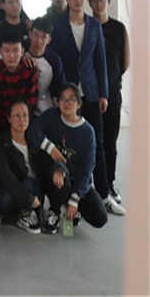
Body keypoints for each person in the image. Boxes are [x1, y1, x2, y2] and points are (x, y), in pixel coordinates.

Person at [48, 0, 124, 215]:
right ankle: (70, 196)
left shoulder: (94, 25)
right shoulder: (58, 25)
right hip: (67, 95)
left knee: (97, 143)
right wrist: (56, 93)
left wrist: (103, 94)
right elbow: (55, 61)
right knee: (67, 145)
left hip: (90, 94)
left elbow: (100, 62)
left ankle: (104, 193)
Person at [27, 84, 108, 232]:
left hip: (77, 180)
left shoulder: (88, 132)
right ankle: (55, 211)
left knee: (100, 217)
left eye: (71, 99)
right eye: (63, 99)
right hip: (56, 178)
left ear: (79, 103)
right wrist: (51, 149)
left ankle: (69, 206)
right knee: (52, 171)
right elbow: (32, 129)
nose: (66, 103)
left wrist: (75, 199)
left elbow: (87, 169)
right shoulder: (53, 116)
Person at [88, 0, 130, 204]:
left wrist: (110, 80)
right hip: (91, 94)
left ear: (109, 2)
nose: (98, 5)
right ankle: (92, 185)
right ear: (89, 2)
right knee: (92, 140)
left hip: (112, 92)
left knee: (110, 140)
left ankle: (109, 184)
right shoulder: (87, 26)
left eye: (102, 1)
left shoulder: (118, 28)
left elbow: (125, 61)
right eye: (94, 0)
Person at [0, 100, 45, 234]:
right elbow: (5, 175)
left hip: (31, 186)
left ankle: (25, 215)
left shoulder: (35, 139)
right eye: (16, 115)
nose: (21, 120)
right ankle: (0, 213)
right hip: (7, 187)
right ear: (8, 118)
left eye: (25, 115)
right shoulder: (1, 142)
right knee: (4, 198)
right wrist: (29, 200)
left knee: (29, 184)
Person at [0, 29, 39, 147]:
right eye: (7, 50)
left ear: (22, 51)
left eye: (16, 50)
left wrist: (21, 134)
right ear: (1, 51)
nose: (11, 56)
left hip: (21, 127)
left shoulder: (29, 70)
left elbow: (31, 106)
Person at [26, 17, 66, 115]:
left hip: (44, 106)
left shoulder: (54, 60)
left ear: (49, 40)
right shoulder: (20, 52)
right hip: (22, 106)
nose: (39, 41)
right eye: (35, 35)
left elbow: (60, 87)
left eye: (44, 37)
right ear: (30, 34)